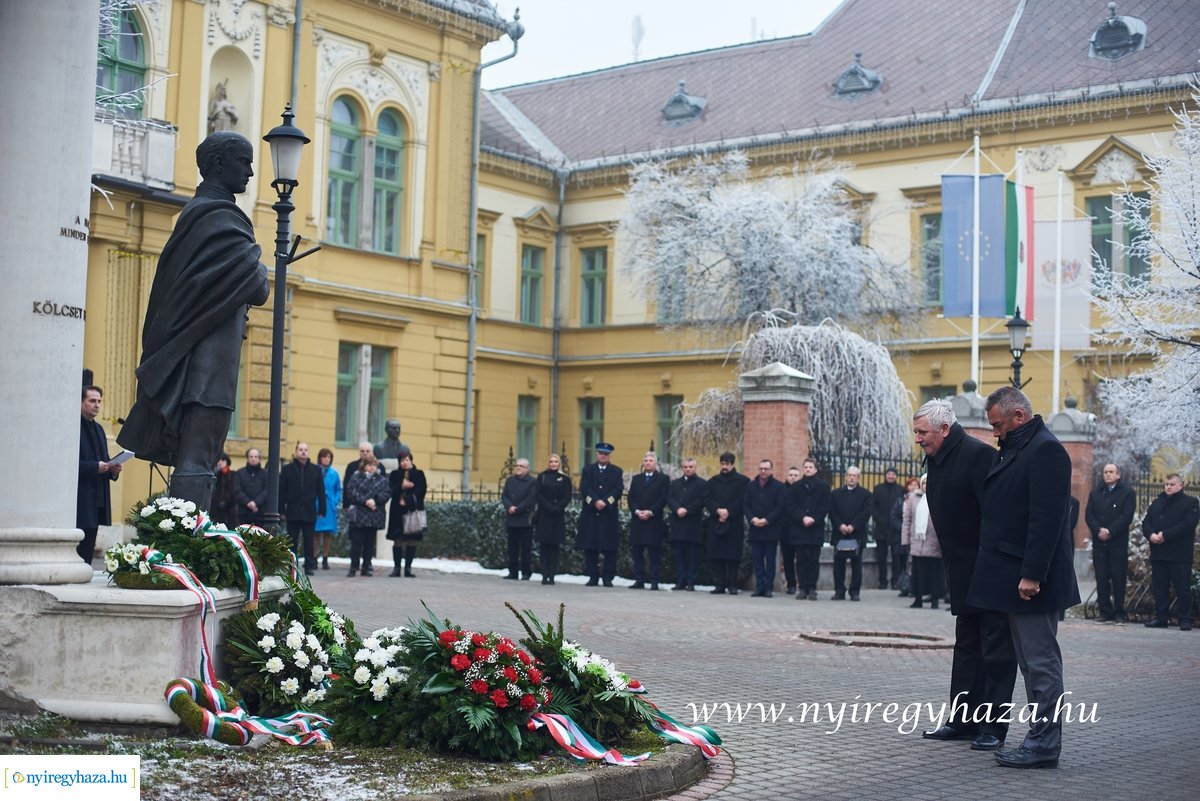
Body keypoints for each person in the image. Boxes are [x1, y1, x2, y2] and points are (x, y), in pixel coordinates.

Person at [117, 132, 270, 512]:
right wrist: (259, 266)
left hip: (200, 357)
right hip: (209, 361)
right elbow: (256, 282)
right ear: (218, 164)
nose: (251, 171)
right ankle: (188, 549)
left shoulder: (198, 215)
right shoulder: (219, 217)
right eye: (244, 161)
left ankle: (186, 540)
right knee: (200, 457)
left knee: (200, 455)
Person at [969, 387, 1080, 769]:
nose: (995, 433)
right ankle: (1039, 738)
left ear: (1019, 415)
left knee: (1041, 662)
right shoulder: (1019, 446)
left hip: (1033, 582)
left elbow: (1047, 521)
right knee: (1031, 663)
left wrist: (1032, 573)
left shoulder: (1045, 449)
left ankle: (1045, 743)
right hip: (1015, 577)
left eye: (998, 425)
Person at [913, 398, 1016, 753]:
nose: (918, 439)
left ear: (944, 429)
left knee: (995, 650)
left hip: (988, 570)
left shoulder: (978, 455)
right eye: (916, 432)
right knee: (968, 648)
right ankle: (962, 720)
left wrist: (992, 565)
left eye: (922, 432)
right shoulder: (937, 456)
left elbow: (996, 515)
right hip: (961, 571)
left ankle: (993, 726)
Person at [1141, 474, 1199, 630]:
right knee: (1160, 588)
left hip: (1179, 554)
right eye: (1166, 484)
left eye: (1172, 484)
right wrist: (1151, 534)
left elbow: (1188, 524)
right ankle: (1161, 617)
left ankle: (1185, 619)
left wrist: (1165, 535)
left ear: (1180, 485)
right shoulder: (1157, 502)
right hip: (1159, 552)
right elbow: (1146, 522)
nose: (1168, 487)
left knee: (1182, 588)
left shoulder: (1190, 502)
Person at [1084, 463, 1136, 622]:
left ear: (1118, 475)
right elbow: (1089, 515)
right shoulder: (1095, 493)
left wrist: (1110, 531)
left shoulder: (1127, 493)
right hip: (1100, 542)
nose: (1107, 474)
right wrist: (1098, 530)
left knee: (1118, 577)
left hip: (1117, 542)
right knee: (1101, 577)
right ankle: (1105, 611)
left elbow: (1127, 516)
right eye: (1105, 472)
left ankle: (1119, 612)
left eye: (1111, 472)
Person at [77, 386, 122, 563]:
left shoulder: (99, 430)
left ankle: (85, 571)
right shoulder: (74, 427)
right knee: (80, 542)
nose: (96, 405)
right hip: (80, 496)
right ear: (81, 402)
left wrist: (113, 470)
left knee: (90, 540)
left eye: (99, 401)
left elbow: (104, 459)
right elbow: (70, 464)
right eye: (92, 401)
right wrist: (96, 467)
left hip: (97, 495)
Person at [577, 442, 623, 587]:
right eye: (601, 453)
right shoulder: (588, 470)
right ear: (596, 454)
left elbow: (618, 490)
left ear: (609, 456)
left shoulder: (616, 471)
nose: (603, 456)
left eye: (606, 454)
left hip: (608, 514)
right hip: (591, 513)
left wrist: (606, 502)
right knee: (591, 547)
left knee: (609, 548)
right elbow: (584, 488)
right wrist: (595, 501)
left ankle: (608, 577)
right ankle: (593, 576)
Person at [280, 442, 326, 576]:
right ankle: (291, 565)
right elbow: (282, 491)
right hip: (292, 511)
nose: (303, 452)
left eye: (306, 450)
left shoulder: (315, 469)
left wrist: (322, 509)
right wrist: (281, 510)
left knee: (308, 540)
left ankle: (309, 565)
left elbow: (321, 491)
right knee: (292, 540)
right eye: (301, 450)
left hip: (309, 510)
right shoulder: (287, 469)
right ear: (296, 452)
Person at [706, 453, 749, 594]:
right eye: (723, 464)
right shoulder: (713, 481)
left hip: (734, 523)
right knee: (717, 554)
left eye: (727, 464)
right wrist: (718, 510)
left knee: (732, 555)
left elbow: (743, 500)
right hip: (716, 521)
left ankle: (732, 584)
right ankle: (720, 583)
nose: (725, 467)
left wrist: (728, 512)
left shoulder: (743, 481)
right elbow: (708, 499)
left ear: (733, 464)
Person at [788, 458, 830, 601]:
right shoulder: (796, 486)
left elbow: (825, 506)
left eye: (810, 467)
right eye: (805, 467)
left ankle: (812, 587)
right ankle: (802, 588)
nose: (807, 469)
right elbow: (791, 506)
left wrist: (813, 518)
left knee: (813, 559)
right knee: (800, 559)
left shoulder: (823, 486)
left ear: (815, 469)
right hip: (800, 528)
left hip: (815, 528)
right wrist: (802, 517)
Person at [627, 452, 670, 590]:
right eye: (645, 460)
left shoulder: (663, 479)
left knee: (654, 552)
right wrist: (637, 511)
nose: (648, 463)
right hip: (638, 520)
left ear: (656, 463)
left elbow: (663, 498)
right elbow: (631, 497)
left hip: (654, 520)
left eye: (651, 460)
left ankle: (654, 580)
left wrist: (651, 512)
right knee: (637, 552)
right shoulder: (637, 479)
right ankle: (639, 579)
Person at [744, 459, 786, 598]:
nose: (763, 471)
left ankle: (768, 587)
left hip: (770, 530)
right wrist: (753, 519)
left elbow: (780, 507)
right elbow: (746, 505)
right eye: (761, 468)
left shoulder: (779, 486)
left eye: (766, 469)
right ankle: (759, 586)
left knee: (770, 560)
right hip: (755, 529)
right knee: (757, 559)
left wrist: (767, 520)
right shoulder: (751, 486)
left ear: (771, 470)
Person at [829, 466, 871, 601]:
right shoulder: (836, 493)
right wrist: (840, 525)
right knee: (838, 564)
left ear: (858, 478)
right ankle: (839, 591)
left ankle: (854, 591)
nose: (852, 478)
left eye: (855, 475)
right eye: (849, 475)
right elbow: (832, 511)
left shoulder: (865, 494)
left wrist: (853, 525)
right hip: (839, 533)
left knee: (856, 564)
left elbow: (866, 512)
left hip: (857, 533)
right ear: (845, 477)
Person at [901, 475, 943, 609]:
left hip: (934, 543)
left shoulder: (939, 497)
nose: (926, 485)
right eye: (924, 483)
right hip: (917, 543)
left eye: (928, 483)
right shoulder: (913, 498)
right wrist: (905, 540)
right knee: (918, 573)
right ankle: (917, 598)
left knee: (934, 574)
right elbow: (907, 520)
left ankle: (934, 599)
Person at [344, 453, 389, 576]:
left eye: (374, 465)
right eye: (369, 465)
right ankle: (353, 567)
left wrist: (375, 500)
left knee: (370, 544)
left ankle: (366, 566)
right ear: (364, 466)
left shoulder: (382, 480)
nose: (372, 467)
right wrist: (365, 501)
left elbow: (386, 493)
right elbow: (351, 492)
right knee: (356, 543)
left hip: (374, 515)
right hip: (359, 514)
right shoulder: (356, 477)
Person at [667, 457, 707, 592]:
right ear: (682, 468)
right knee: (679, 555)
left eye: (691, 467)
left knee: (692, 555)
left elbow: (701, 501)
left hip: (692, 524)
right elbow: (669, 498)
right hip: (678, 524)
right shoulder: (675, 483)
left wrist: (687, 510)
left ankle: (691, 581)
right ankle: (680, 581)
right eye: (685, 467)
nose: (688, 469)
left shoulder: (702, 484)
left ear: (695, 468)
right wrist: (677, 508)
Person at [386, 451, 426, 577]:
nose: (405, 462)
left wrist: (408, 499)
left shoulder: (419, 474)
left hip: (412, 509)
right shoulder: (394, 474)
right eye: (402, 460)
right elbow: (391, 490)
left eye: (407, 460)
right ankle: (397, 568)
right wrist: (401, 486)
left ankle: (408, 568)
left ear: (411, 461)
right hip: (397, 510)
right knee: (397, 539)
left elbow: (421, 490)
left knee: (412, 539)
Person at [534, 454, 572, 585]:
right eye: (551, 461)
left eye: (556, 462)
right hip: (544, 515)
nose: (553, 464)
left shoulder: (565, 479)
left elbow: (567, 496)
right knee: (544, 547)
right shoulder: (542, 476)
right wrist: (548, 506)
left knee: (554, 547)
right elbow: (537, 494)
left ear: (559, 463)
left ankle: (552, 574)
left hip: (557, 516)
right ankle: (544, 574)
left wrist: (557, 507)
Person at [501, 458, 538, 580]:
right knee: (512, 548)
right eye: (517, 465)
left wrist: (518, 508)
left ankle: (526, 572)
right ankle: (513, 572)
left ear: (527, 468)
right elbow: (505, 496)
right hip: (512, 518)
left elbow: (531, 499)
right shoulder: (510, 480)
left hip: (525, 519)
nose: (518, 468)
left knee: (526, 548)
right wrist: (509, 506)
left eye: (521, 466)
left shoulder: (532, 482)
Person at [871, 467, 905, 590]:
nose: (891, 476)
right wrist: (880, 519)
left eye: (893, 474)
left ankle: (895, 581)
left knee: (896, 558)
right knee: (881, 557)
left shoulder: (901, 490)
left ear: (896, 476)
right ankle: (882, 581)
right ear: (885, 475)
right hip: (881, 528)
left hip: (895, 530)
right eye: (889, 474)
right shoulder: (878, 489)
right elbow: (873, 507)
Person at [315, 447, 342, 570]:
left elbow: (338, 489)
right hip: (317, 504)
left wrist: (335, 501)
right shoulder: (315, 470)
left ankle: (325, 558)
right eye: (324, 457)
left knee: (328, 533)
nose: (326, 459)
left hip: (330, 505)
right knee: (315, 532)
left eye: (328, 457)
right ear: (320, 458)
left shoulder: (334, 473)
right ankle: (314, 557)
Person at [779, 466, 802, 595]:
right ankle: (791, 584)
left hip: (799, 529)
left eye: (795, 475)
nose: (793, 477)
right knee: (787, 559)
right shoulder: (781, 489)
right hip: (785, 530)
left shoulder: (802, 490)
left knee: (800, 559)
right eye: (791, 475)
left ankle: (801, 583)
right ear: (786, 476)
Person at [234, 447, 267, 528]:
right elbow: (237, 490)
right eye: (251, 457)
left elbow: (267, 491)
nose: (253, 459)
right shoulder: (240, 473)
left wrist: (256, 503)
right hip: (243, 512)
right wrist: (248, 502)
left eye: (256, 457)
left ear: (259, 459)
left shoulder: (265, 474)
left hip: (260, 513)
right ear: (247, 458)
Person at [210, 451, 239, 528]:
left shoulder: (233, 474)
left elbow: (233, 490)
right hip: (216, 508)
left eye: (223, 460)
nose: (220, 462)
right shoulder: (215, 474)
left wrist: (226, 501)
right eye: (219, 460)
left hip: (229, 508)